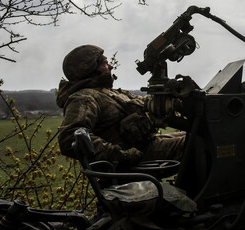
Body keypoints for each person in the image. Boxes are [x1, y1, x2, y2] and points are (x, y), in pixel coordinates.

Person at [57, 44, 185, 166]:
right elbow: (69, 138)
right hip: (133, 158)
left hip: (145, 145)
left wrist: (175, 99)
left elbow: (144, 103)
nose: (111, 66)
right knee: (196, 142)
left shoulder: (107, 93)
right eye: (105, 63)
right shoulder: (84, 98)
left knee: (198, 134)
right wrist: (120, 155)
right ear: (90, 70)